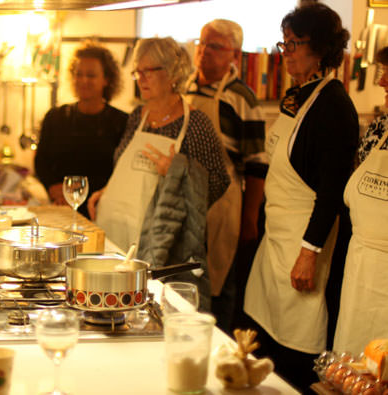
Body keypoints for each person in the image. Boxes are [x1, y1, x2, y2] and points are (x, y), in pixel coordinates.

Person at [243, 3, 358, 390]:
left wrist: (309, 253)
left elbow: (331, 193)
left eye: (295, 44)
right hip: (276, 239)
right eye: (284, 43)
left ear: (322, 48)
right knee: (261, 337)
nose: (286, 52)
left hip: (304, 243)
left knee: (295, 345)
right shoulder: (297, 97)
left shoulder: (334, 105)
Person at [88, 37, 230, 309]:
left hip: (165, 246)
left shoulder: (196, 123)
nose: (141, 78)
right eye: (137, 72)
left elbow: (219, 182)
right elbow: (125, 169)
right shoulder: (138, 116)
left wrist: (178, 174)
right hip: (118, 235)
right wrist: (106, 192)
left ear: (173, 73)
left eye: (149, 71)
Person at [183, 19, 268, 334]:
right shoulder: (184, 88)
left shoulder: (242, 98)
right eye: (201, 43)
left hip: (224, 205)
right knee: (185, 282)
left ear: (234, 54)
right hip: (182, 199)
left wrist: (250, 218)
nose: (204, 52)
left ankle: (219, 350)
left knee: (220, 286)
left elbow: (257, 166)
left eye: (214, 46)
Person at [333, 47, 388, 355]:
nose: (383, 82)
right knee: (352, 366)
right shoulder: (379, 130)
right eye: (382, 72)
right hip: (360, 272)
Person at [34, 41, 128, 219]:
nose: (83, 80)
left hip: (104, 212)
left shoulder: (122, 122)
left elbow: (123, 172)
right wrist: (53, 187)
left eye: (91, 75)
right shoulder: (55, 117)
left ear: (106, 80)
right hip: (61, 211)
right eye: (79, 74)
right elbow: (41, 161)